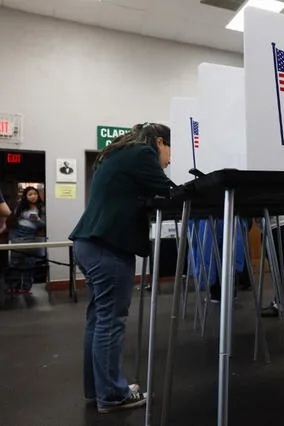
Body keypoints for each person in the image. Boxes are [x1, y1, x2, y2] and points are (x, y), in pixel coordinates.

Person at [70, 122, 171, 413]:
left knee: (98, 320)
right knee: (111, 322)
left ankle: (99, 388)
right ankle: (113, 395)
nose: (169, 160)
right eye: (169, 152)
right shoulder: (142, 154)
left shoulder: (117, 155)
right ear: (160, 142)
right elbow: (167, 191)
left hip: (89, 243)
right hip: (108, 247)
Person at [7, 186, 46, 294]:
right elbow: (13, 218)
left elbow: (44, 224)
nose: (33, 196)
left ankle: (26, 287)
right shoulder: (20, 205)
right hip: (16, 233)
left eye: (35, 194)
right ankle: (13, 286)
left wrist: (37, 219)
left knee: (29, 261)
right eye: (30, 194)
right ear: (26, 196)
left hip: (31, 234)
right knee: (14, 261)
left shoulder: (41, 207)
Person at [260, 214, 284, 317]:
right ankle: (279, 302)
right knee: (277, 264)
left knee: (277, 264)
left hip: (279, 226)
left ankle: (279, 304)